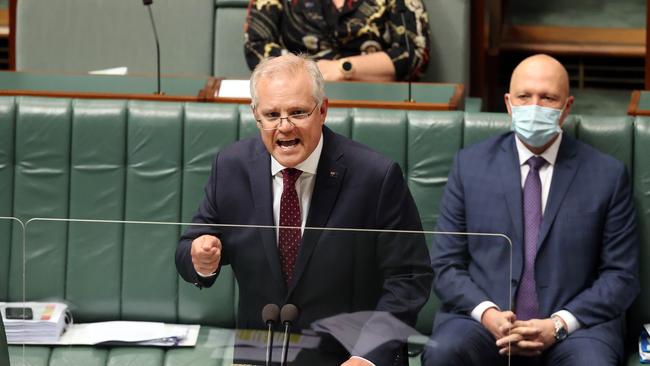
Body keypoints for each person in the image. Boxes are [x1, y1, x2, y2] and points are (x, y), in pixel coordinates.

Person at [176, 54, 433, 365]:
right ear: (256, 115)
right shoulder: (231, 167)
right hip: (261, 351)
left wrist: (367, 356)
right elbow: (188, 250)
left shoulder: (375, 177)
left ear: (322, 110)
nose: (284, 127)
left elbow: (409, 277)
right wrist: (201, 259)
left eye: (297, 112)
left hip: (347, 355)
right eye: (272, 115)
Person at [422, 54, 639, 366]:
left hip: (575, 329)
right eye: (525, 96)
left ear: (566, 107)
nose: (534, 106)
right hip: (483, 324)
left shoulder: (607, 175)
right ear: (509, 104)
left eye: (548, 97)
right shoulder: (469, 166)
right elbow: (444, 264)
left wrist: (559, 324)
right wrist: (488, 314)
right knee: (445, 353)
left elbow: (621, 275)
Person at [243, 0, 430, 82]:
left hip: (376, 104)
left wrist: (342, 69)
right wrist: (311, 73)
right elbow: (257, 48)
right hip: (297, 101)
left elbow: (415, 53)